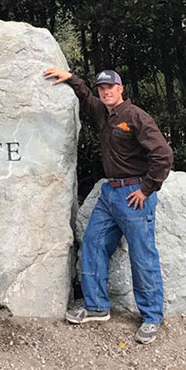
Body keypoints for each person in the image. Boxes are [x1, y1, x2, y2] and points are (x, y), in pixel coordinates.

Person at [43, 68, 173, 344]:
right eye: (102, 88)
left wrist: (147, 188)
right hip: (109, 194)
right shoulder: (103, 113)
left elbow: (163, 154)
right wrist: (70, 78)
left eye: (110, 87)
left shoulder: (135, 116)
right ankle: (96, 306)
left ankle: (151, 317)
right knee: (92, 243)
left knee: (142, 256)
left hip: (133, 196)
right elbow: (86, 97)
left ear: (121, 88)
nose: (106, 92)